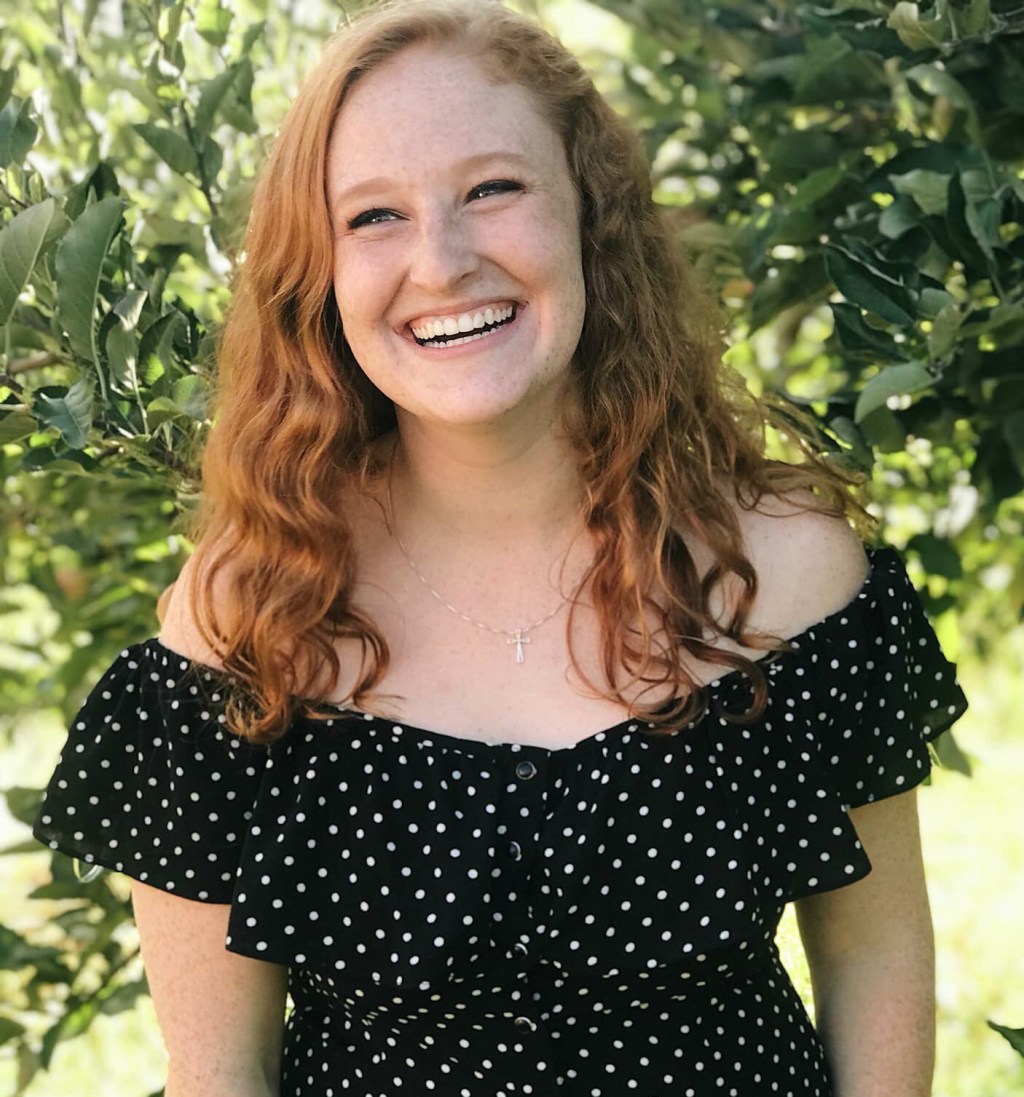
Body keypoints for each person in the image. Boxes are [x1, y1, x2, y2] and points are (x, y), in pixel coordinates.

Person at [32, 1, 968, 1094]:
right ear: (317, 274)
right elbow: (217, 1072)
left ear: (591, 216)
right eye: (373, 216)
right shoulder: (247, 621)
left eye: (492, 189)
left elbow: (874, 961)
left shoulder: (794, 579)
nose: (441, 261)